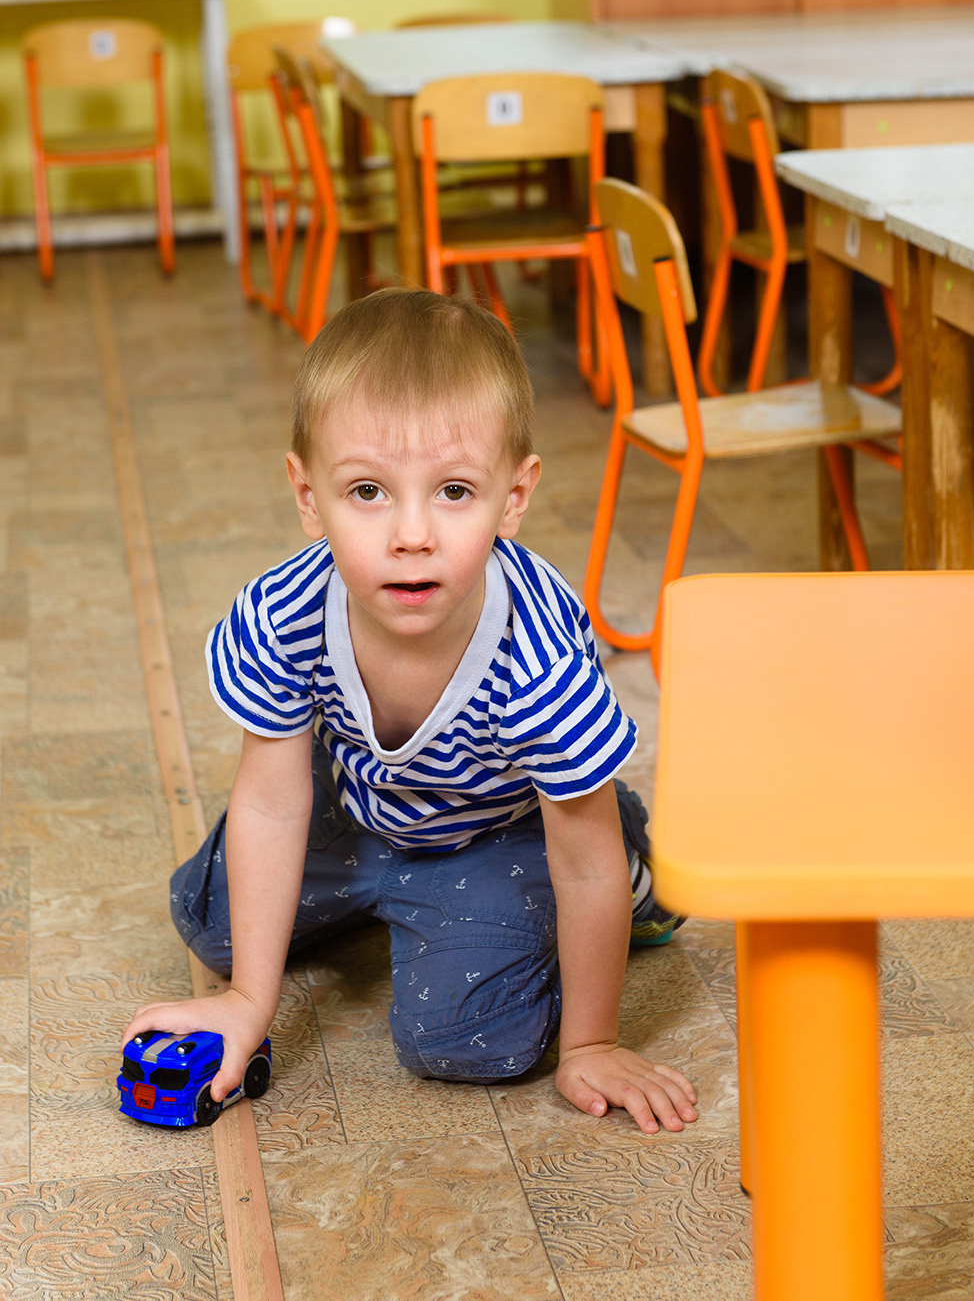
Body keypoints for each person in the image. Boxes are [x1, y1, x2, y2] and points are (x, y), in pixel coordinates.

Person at [123, 288, 698, 1136]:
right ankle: (382, 892)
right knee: (208, 917)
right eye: (367, 491)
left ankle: (636, 849)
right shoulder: (281, 614)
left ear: (514, 495)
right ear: (307, 494)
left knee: (465, 1041)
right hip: (365, 806)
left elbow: (582, 862)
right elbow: (274, 800)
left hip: (502, 829)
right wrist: (250, 999)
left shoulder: (536, 662)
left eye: (455, 491)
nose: (412, 534)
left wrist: (593, 1042)